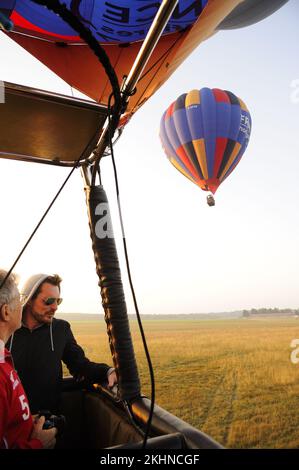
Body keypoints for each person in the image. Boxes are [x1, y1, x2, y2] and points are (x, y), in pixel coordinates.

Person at [7, 273, 117, 414]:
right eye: (49, 301)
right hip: (10, 423)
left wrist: (108, 371)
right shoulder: (7, 328)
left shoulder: (61, 329)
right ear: (28, 299)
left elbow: (80, 365)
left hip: (46, 421)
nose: (55, 307)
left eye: (58, 301)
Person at [0, 269, 56, 449]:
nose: (21, 305)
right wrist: (38, 444)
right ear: (6, 312)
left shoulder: (4, 357)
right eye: (19, 299)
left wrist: (24, 421)